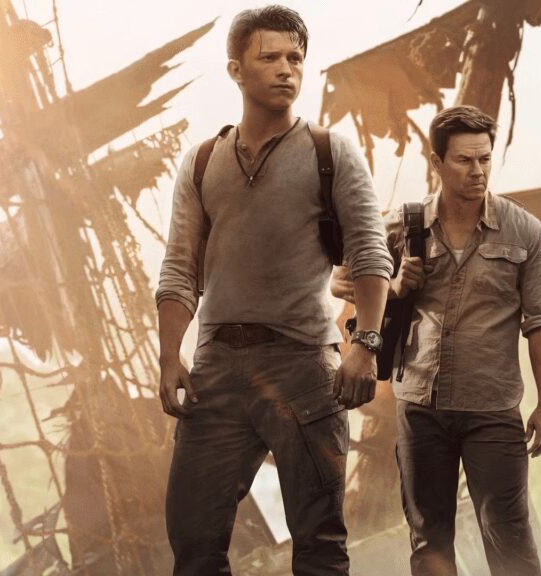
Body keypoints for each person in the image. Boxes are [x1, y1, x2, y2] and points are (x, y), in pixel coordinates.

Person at [154, 6, 392, 575]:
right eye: (270, 58)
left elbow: (370, 254)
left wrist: (365, 345)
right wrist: (168, 356)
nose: (287, 69)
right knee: (193, 540)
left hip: (303, 365)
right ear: (236, 70)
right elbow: (180, 270)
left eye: (295, 58)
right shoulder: (203, 162)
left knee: (319, 545)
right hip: (216, 366)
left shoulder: (331, 153)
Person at [331, 105, 541, 576]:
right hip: (421, 406)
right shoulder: (403, 225)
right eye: (464, 160)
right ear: (437, 162)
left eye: (485, 159)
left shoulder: (524, 231)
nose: (478, 171)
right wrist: (395, 284)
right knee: (429, 541)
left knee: (509, 537)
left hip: (493, 408)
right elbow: (341, 280)